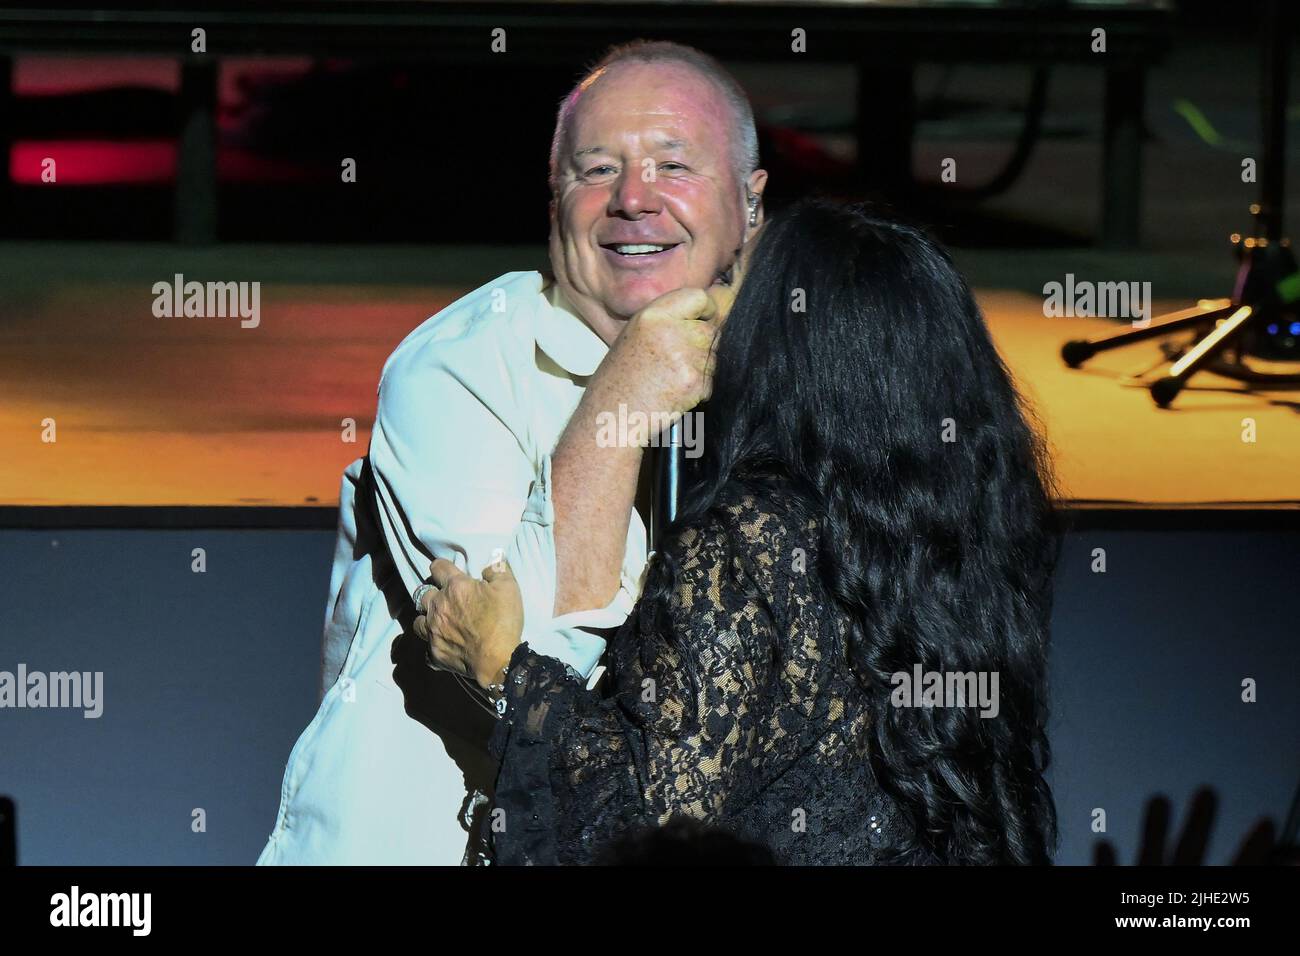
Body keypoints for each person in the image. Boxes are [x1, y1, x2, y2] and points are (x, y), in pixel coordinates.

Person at [424, 198, 1063, 865]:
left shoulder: (748, 537)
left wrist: (504, 666)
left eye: (730, 278)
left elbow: (654, 824)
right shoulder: (960, 527)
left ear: (787, 334)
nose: (701, 296)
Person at [256, 40, 768, 865]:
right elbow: (530, 667)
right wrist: (622, 396)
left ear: (751, 204)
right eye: (597, 171)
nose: (633, 199)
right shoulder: (459, 367)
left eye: (673, 167)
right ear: (555, 197)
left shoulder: (791, 383)